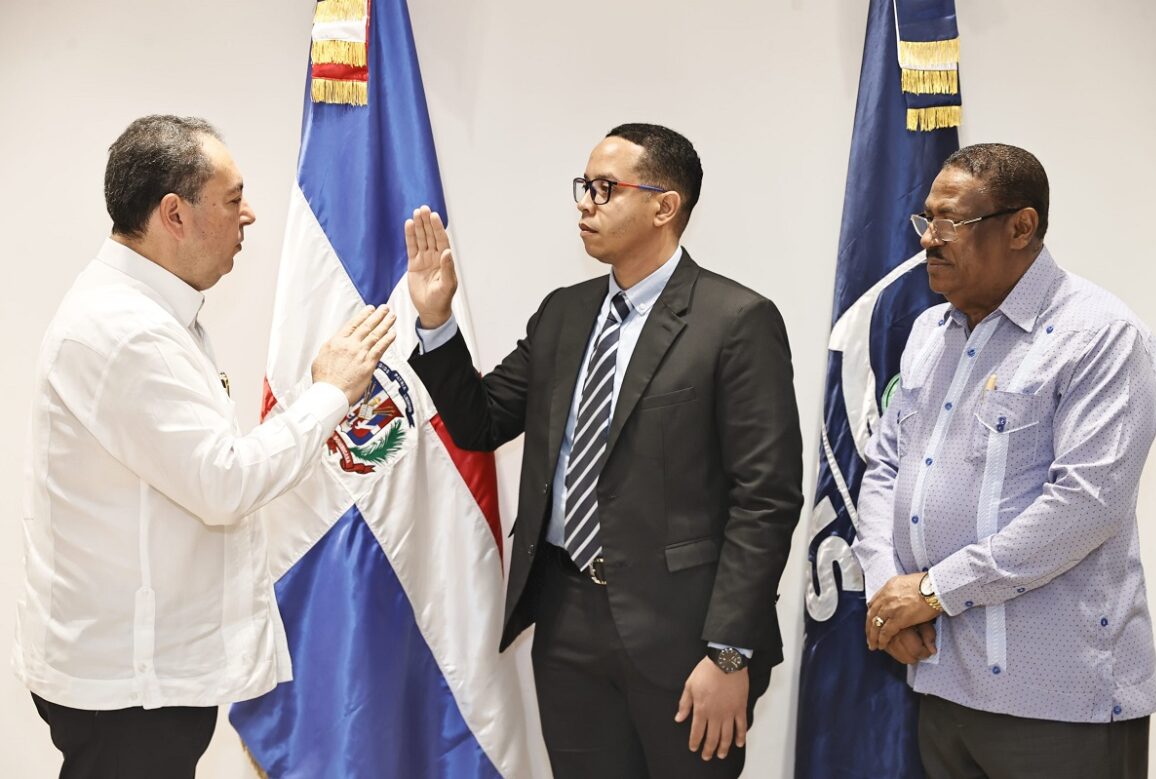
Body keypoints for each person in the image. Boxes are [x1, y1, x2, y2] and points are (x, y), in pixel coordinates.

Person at [404, 123, 803, 778]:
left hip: (686, 632)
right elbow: (481, 422)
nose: (585, 204)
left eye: (604, 188)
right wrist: (436, 321)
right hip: (566, 619)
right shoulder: (564, 313)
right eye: (583, 187)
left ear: (664, 206)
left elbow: (766, 499)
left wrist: (730, 652)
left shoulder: (736, 320)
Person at [14, 115, 396, 778]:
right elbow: (225, 483)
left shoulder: (150, 310)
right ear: (174, 214)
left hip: (137, 674)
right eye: (232, 198)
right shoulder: (127, 331)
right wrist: (329, 393)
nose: (249, 215)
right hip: (128, 690)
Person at [854, 143, 1156, 778]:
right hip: (941, 679)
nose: (929, 240)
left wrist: (933, 591)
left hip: (1060, 702)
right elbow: (885, 468)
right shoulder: (928, 334)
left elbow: (1085, 506)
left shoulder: (1099, 335)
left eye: (951, 222)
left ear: (1021, 227)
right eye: (926, 220)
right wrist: (890, 594)